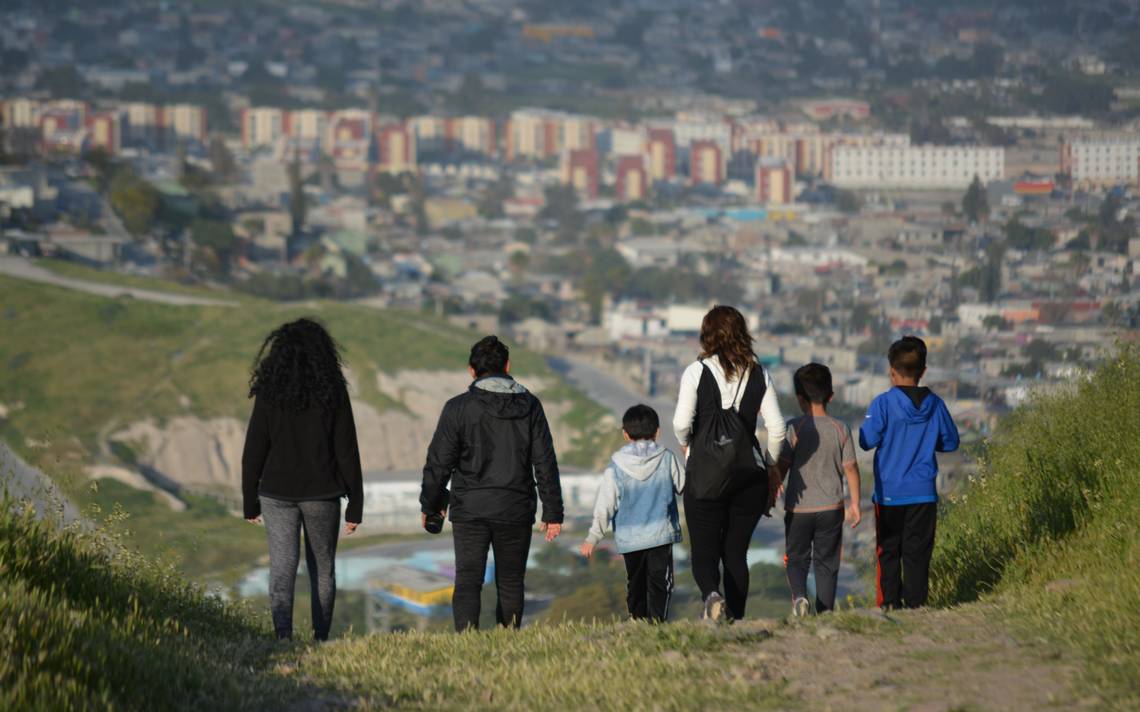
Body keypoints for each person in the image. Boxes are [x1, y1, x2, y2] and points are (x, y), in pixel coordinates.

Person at [421, 335, 563, 631]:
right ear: (508, 366)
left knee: (468, 578)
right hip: (515, 506)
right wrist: (553, 512)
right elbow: (544, 461)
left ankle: (467, 641)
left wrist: (430, 504)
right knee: (511, 581)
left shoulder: (457, 408)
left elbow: (439, 463)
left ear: (471, 370)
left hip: (470, 508)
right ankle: (507, 638)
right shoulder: (531, 406)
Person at [241, 318, 363, 641]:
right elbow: (347, 451)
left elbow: (254, 449)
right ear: (324, 353)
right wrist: (356, 506)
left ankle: (283, 637)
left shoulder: (269, 393)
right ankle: (320, 638)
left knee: (282, 567)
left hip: (276, 494)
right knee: (322, 568)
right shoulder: (333, 392)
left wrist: (249, 500)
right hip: (322, 493)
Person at [672, 305, 786, 622]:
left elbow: (681, 423)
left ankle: (712, 596)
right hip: (748, 476)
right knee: (736, 554)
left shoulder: (696, 372)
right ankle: (736, 618)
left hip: (705, 476)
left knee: (704, 550)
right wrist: (772, 465)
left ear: (706, 335)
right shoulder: (761, 374)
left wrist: (688, 444)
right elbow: (777, 428)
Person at [859, 336, 959, 610]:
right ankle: (917, 606)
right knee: (917, 553)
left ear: (892, 371)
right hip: (923, 493)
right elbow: (950, 442)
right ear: (923, 371)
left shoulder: (882, 404)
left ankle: (890, 604)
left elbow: (866, 440)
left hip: (889, 493)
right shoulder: (936, 405)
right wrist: (928, 439)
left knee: (889, 551)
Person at [580, 404, 685, 623]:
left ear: (625, 434)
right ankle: (657, 623)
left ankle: (637, 620)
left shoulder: (615, 466)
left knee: (635, 582)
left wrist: (593, 537)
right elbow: (684, 485)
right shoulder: (667, 458)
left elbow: (605, 504)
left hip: (630, 537)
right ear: (657, 432)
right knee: (660, 582)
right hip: (660, 534)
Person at [777, 363, 862, 617]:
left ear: (799, 399)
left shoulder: (794, 428)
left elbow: (781, 467)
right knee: (827, 563)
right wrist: (855, 503)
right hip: (831, 508)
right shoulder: (841, 428)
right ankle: (825, 612)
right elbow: (851, 468)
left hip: (799, 508)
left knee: (796, 558)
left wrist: (772, 490)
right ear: (831, 396)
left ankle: (800, 597)